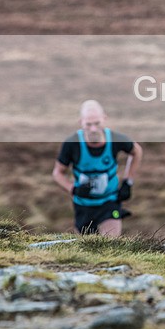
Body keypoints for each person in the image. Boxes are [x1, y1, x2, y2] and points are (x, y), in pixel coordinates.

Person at [52, 100, 143, 236]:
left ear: (104, 119)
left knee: (110, 245)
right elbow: (57, 173)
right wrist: (73, 189)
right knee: (85, 251)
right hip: (83, 205)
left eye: (97, 123)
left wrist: (128, 183)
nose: (93, 129)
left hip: (109, 202)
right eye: (88, 124)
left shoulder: (115, 139)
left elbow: (137, 151)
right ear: (81, 122)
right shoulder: (72, 144)